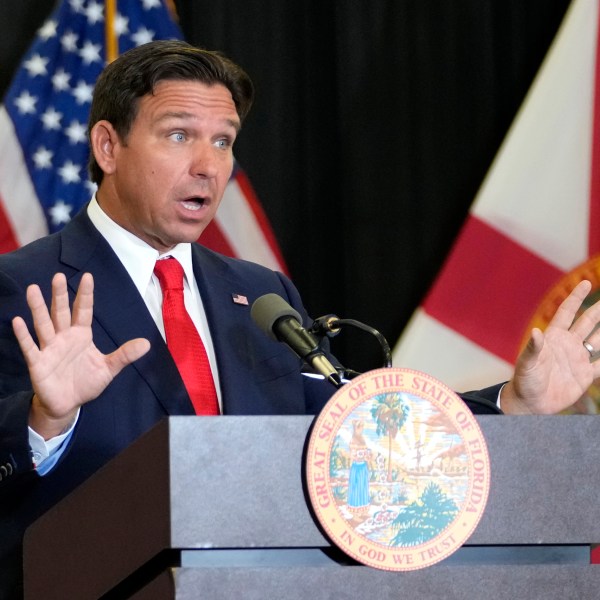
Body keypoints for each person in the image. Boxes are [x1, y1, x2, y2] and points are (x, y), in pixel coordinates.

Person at [1, 40, 600, 598]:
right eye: (179, 135)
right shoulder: (21, 285)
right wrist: (46, 420)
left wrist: (514, 405)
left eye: (224, 140)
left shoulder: (259, 294)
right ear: (108, 146)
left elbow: (355, 428)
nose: (209, 167)